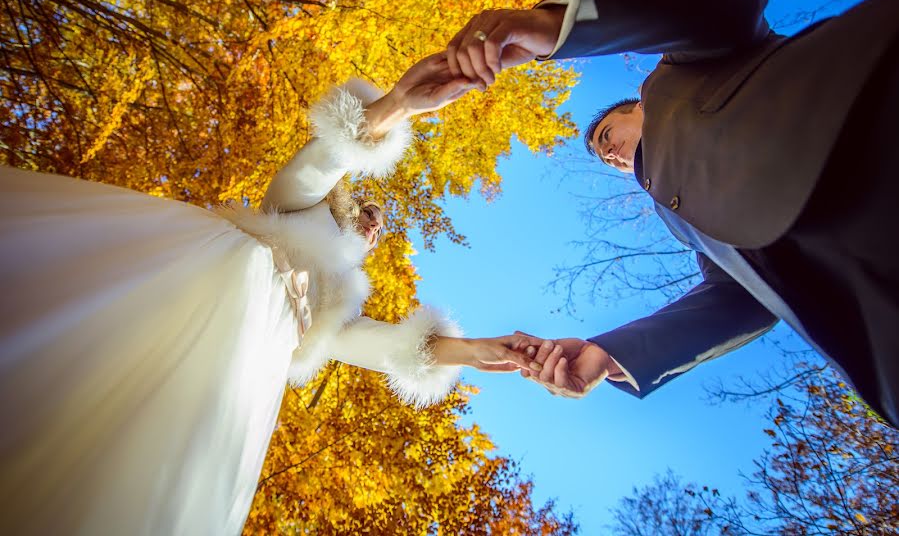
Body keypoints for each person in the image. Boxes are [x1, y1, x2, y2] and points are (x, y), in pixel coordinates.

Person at [0, 53, 544, 535]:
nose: (375, 226)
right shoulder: (293, 209)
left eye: (379, 225)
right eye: (369, 212)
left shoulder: (337, 304)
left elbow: (384, 349)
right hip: (208, 270)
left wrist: (474, 352)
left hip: (248, 355)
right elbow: (317, 166)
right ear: (346, 206)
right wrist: (395, 105)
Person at [445, 0, 899, 427]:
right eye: (605, 158)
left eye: (606, 135)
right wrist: (606, 354)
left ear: (638, 103)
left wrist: (556, 27)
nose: (609, 153)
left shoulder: (678, 73)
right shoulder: (679, 217)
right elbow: (742, 298)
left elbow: (730, 7)